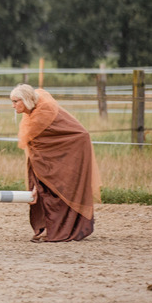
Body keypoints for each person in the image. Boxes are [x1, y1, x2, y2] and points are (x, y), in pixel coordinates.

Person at [10, 84, 101, 242]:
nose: (13, 105)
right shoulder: (33, 111)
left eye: (16, 101)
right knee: (40, 189)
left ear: (25, 100)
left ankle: (59, 229)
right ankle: (46, 227)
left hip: (68, 152)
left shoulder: (42, 114)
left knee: (54, 190)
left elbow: (77, 134)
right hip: (43, 158)